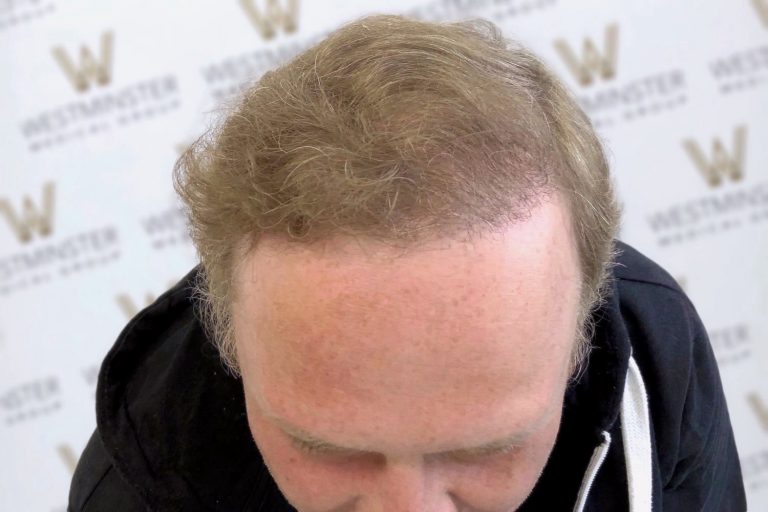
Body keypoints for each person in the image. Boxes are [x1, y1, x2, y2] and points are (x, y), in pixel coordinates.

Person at [68, 14, 746, 512]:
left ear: (582, 338)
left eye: (485, 450)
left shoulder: (654, 357)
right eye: (331, 450)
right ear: (229, 343)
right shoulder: (133, 489)